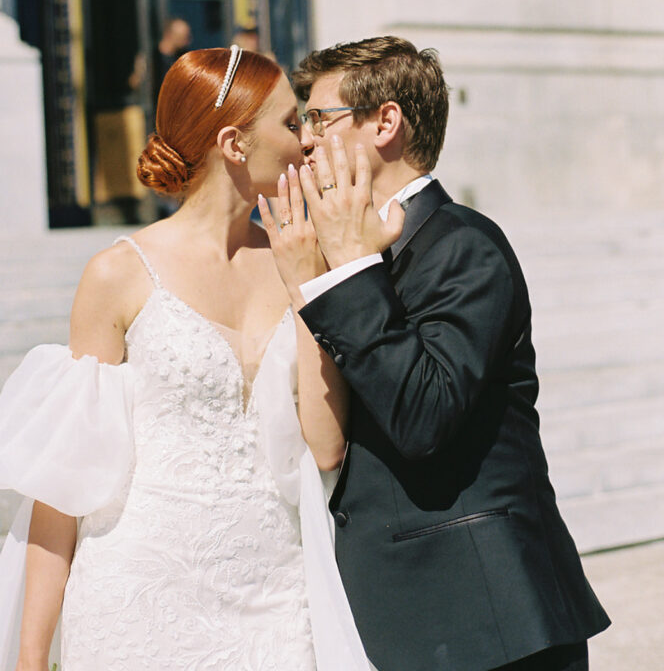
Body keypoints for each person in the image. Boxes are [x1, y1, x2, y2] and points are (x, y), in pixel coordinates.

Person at [0, 46, 372, 671]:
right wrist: (32, 654)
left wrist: (310, 283)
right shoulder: (118, 274)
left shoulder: (301, 260)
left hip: (278, 599)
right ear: (234, 142)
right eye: (289, 123)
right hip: (138, 595)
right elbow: (65, 482)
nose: (307, 142)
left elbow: (327, 446)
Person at [259, 36, 610, 671]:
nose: (304, 140)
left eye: (319, 118)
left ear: (386, 122)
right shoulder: (342, 256)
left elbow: (423, 413)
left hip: (488, 617)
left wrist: (347, 273)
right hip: (396, 613)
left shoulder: (463, 246)